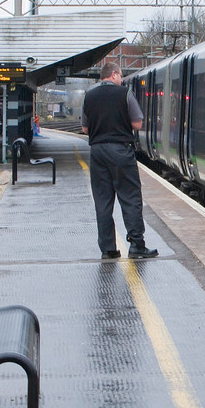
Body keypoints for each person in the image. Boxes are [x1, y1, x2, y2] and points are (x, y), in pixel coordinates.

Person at [81, 62, 158, 260]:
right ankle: (136, 245)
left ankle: (108, 249)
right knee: (130, 197)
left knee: (103, 200)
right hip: (120, 151)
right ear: (114, 75)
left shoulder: (89, 96)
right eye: (121, 75)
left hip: (97, 152)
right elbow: (137, 123)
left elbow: (85, 129)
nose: (122, 79)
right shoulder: (124, 94)